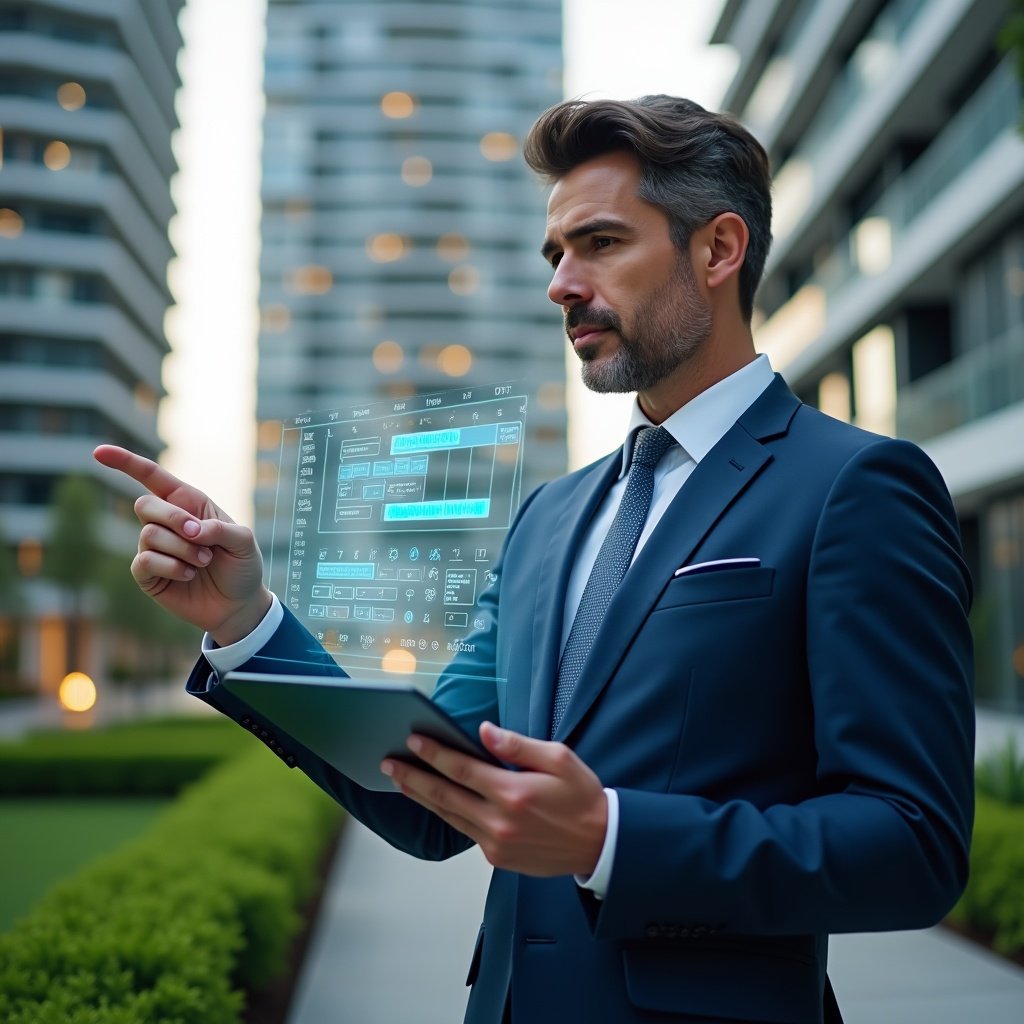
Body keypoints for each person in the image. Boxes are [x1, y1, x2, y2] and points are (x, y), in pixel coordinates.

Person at [95, 95, 974, 1024]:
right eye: (555, 255)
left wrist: (612, 839)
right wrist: (245, 623)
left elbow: (912, 843)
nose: (561, 283)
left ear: (718, 251)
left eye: (599, 244)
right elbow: (432, 791)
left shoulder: (856, 486)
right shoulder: (548, 519)